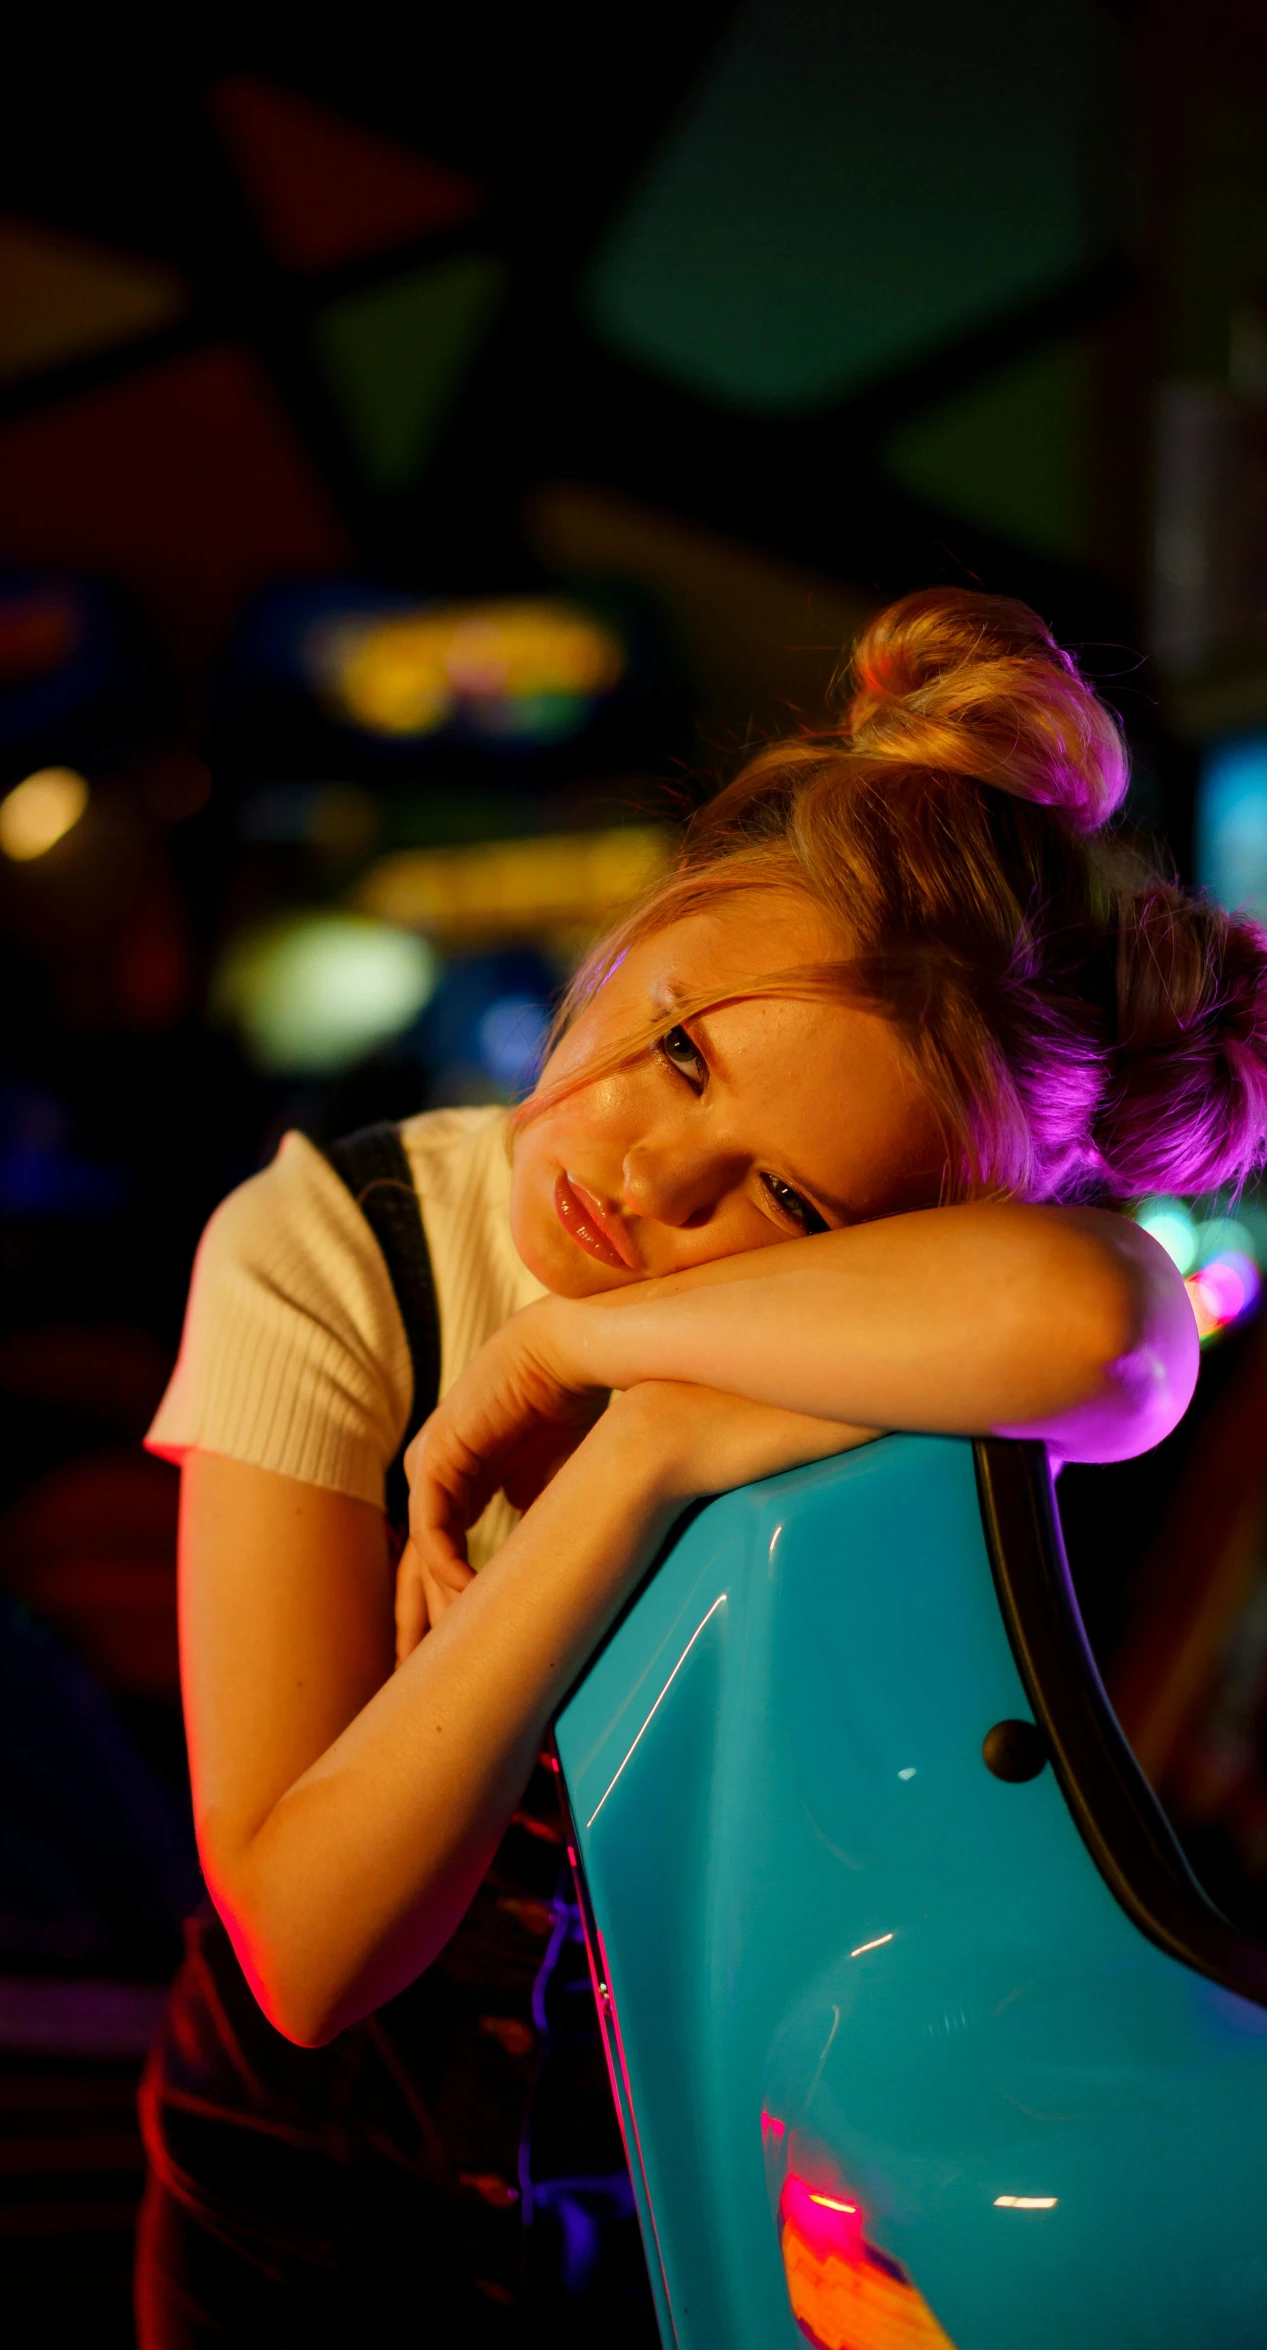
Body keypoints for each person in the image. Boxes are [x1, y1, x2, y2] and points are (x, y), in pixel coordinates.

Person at [135, 589, 1267, 2344]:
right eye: (678, 1046)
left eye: (790, 1203)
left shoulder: (869, 1313)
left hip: (705, 2237)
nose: (651, 1178)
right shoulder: (336, 1242)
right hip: (306, 2245)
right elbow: (306, 1948)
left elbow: (1119, 1329)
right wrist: (624, 1461)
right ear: (660, 904)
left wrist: (606, 1389)